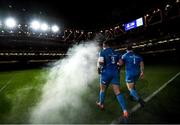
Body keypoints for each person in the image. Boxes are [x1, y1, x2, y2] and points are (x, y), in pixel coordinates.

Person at [96, 39, 128, 119]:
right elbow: (121, 63)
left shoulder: (102, 52)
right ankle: (125, 110)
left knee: (102, 89)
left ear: (105, 45)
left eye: (103, 45)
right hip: (115, 73)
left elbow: (101, 63)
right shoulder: (117, 52)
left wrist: (99, 70)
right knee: (117, 91)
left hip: (106, 73)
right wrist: (117, 67)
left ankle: (101, 104)